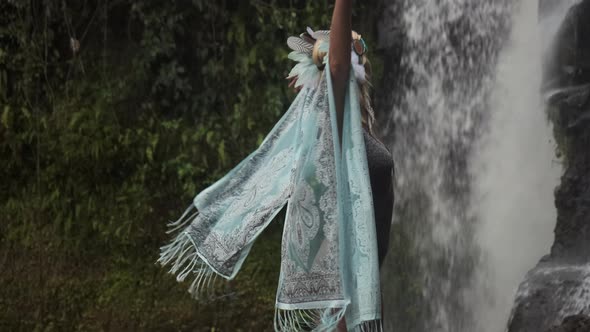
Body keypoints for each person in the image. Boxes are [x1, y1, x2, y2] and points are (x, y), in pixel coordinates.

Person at [158, 1, 394, 331]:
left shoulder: (356, 134)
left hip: (364, 305)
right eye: (346, 49)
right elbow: (338, 68)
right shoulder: (334, 134)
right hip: (342, 309)